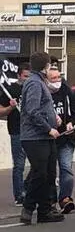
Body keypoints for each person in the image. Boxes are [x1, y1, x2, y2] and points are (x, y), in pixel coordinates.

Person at [18, 53, 64, 225]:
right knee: (40, 173)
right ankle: (28, 207)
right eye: (50, 65)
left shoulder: (39, 82)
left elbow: (42, 107)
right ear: (46, 66)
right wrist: (48, 128)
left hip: (44, 137)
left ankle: (45, 209)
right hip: (35, 137)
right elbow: (32, 110)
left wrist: (54, 117)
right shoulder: (35, 83)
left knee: (49, 174)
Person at [47, 67, 75, 214]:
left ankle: (65, 198)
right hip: (49, 138)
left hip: (66, 137)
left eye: (58, 77)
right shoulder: (43, 93)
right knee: (49, 171)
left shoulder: (67, 91)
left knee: (66, 168)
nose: (57, 81)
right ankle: (50, 200)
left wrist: (71, 122)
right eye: (53, 78)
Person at [0, 62, 31, 205]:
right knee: (19, 164)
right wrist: (10, 107)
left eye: (29, 76)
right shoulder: (11, 89)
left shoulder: (33, 88)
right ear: (19, 76)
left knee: (38, 163)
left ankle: (26, 186)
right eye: (25, 76)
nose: (27, 79)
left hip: (32, 130)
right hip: (17, 130)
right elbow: (1, 111)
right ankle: (19, 195)